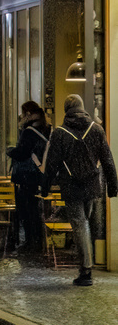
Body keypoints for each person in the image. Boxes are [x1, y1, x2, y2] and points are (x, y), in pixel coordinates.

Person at [43, 93, 118, 286]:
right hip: (92, 185)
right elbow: (108, 161)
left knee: (80, 224)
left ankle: (86, 270)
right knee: (84, 223)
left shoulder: (59, 133)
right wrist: (113, 187)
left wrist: (45, 188)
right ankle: (85, 267)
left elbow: (51, 164)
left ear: (67, 110)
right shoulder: (97, 130)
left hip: (71, 186)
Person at [7, 100, 50, 255]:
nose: (21, 117)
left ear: (28, 114)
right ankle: (36, 242)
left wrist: (11, 151)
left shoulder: (29, 131)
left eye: (23, 113)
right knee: (35, 211)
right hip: (38, 175)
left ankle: (31, 243)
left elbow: (23, 152)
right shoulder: (45, 128)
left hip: (26, 176)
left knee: (26, 211)